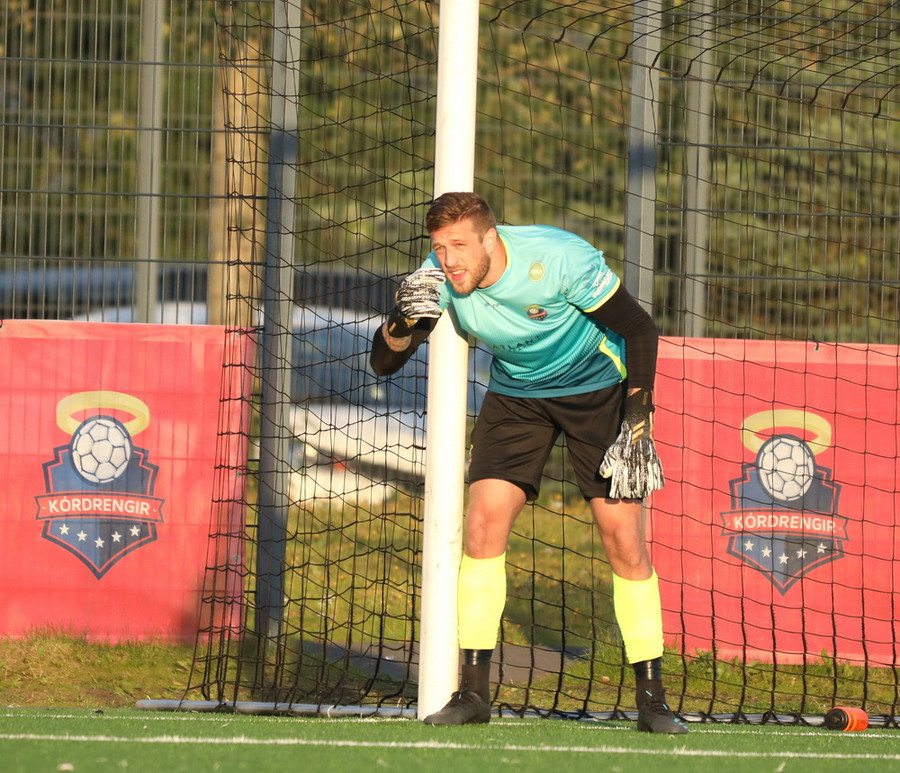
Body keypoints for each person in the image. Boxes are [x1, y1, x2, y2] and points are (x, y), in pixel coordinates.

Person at [369, 192, 687, 734]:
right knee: (482, 523)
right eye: (440, 247)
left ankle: (653, 702)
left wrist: (637, 418)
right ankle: (473, 694)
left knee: (623, 540)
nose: (449, 260)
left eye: (459, 245)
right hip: (518, 396)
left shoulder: (559, 258)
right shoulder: (437, 277)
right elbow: (384, 363)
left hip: (598, 389)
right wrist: (401, 319)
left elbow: (639, 329)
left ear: (491, 239)